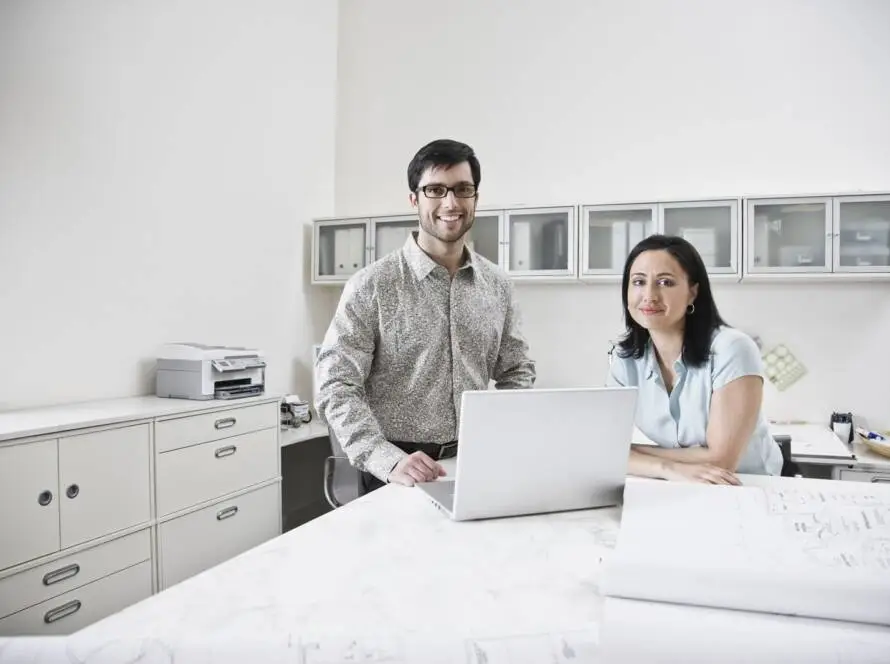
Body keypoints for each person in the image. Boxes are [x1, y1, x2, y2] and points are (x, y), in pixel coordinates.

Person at [315, 138, 536, 496]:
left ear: (475, 198)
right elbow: (335, 385)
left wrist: (500, 432)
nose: (451, 203)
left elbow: (516, 371)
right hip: (396, 472)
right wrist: (384, 458)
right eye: (435, 190)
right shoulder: (372, 285)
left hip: (473, 461)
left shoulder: (497, 285)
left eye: (463, 189)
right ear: (414, 199)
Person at [607, 234, 783, 484]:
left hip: (749, 485)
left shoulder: (732, 348)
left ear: (692, 292)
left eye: (665, 282)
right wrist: (664, 467)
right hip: (680, 483)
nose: (649, 295)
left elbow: (722, 460)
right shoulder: (625, 360)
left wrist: (631, 453)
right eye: (638, 282)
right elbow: (604, 449)